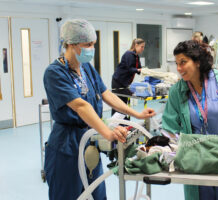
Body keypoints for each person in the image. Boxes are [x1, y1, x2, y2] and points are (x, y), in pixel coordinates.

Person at [43, 19, 155, 200]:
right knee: (68, 195)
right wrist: (107, 132)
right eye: (87, 44)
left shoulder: (86, 67)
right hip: (67, 144)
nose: (91, 49)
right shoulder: (55, 73)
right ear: (71, 44)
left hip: (89, 141)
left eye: (93, 44)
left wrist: (136, 113)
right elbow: (81, 105)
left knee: (96, 193)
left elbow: (106, 94)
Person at [162, 40, 218, 200]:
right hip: (197, 162)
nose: (179, 69)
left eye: (183, 62)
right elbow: (169, 128)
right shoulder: (177, 91)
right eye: (176, 63)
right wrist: (177, 152)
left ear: (197, 61)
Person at [111, 38, 145, 116]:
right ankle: (114, 125)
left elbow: (139, 68)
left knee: (124, 104)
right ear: (136, 45)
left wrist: (145, 71)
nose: (143, 49)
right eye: (142, 47)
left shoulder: (136, 56)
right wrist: (139, 70)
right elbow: (130, 69)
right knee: (118, 104)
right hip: (118, 82)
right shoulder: (129, 54)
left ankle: (124, 124)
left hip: (125, 83)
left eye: (143, 47)